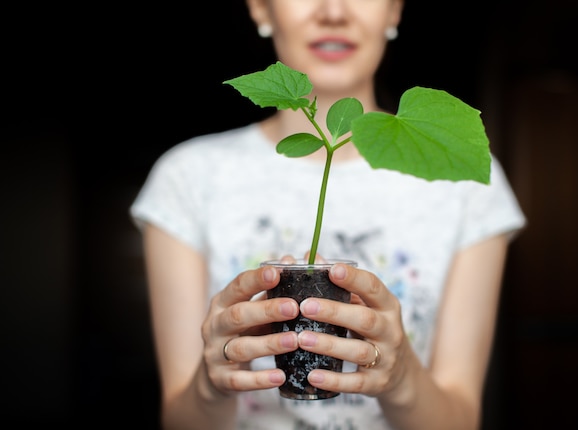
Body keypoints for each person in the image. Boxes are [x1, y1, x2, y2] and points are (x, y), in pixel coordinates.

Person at [130, 1, 526, 429]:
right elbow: (181, 420)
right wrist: (211, 384)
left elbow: (460, 420)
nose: (334, 10)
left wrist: (400, 376)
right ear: (261, 10)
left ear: (394, 11)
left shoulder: (462, 183)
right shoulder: (189, 177)